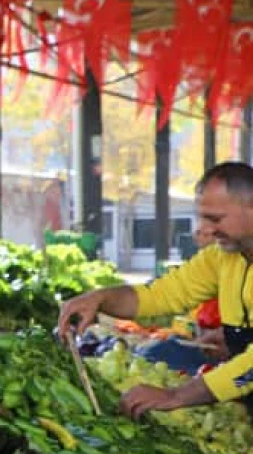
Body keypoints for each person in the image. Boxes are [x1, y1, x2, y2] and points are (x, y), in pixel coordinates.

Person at [59, 162, 253, 419]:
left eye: (215, 218)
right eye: (203, 217)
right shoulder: (222, 258)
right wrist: (100, 298)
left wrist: (176, 396)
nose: (205, 229)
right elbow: (160, 294)